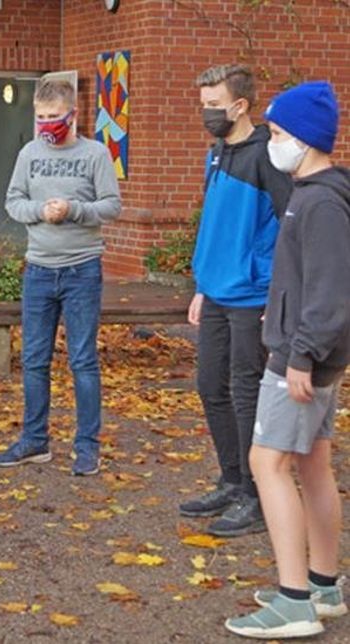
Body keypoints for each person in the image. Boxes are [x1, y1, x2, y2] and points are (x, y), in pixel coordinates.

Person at [225, 81, 349, 640]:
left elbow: (328, 292)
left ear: (304, 138)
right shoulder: (315, 192)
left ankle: (293, 599)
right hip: (310, 353)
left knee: (266, 463)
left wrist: (299, 353)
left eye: (277, 134)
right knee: (312, 464)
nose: (271, 143)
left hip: (300, 361)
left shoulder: (321, 201)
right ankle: (323, 584)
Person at [179, 65, 292, 537]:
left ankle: (255, 495)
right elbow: (214, 224)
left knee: (246, 393)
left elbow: (292, 226)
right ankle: (231, 479)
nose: (207, 112)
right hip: (218, 290)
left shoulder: (267, 155)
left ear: (240, 105)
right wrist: (202, 285)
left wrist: (280, 293)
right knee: (211, 387)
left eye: (213, 104)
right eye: (203, 103)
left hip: (251, 294)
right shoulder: (217, 152)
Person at [0, 78, 121, 476]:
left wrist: (74, 210)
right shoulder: (29, 153)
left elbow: (112, 206)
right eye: (41, 117)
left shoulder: (95, 154)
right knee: (33, 359)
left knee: (82, 360)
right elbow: (13, 202)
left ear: (73, 115)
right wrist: (38, 212)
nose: (47, 124)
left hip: (82, 269)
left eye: (54, 117)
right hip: (39, 269)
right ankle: (35, 440)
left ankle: (87, 446)